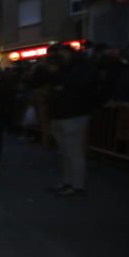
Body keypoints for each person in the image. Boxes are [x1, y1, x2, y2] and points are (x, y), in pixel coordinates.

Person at [46, 44, 97, 196]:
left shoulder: (81, 68)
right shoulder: (63, 70)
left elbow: (80, 86)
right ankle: (68, 182)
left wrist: (61, 82)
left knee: (73, 151)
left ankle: (77, 185)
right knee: (64, 152)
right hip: (60, 114)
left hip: (74, 114)